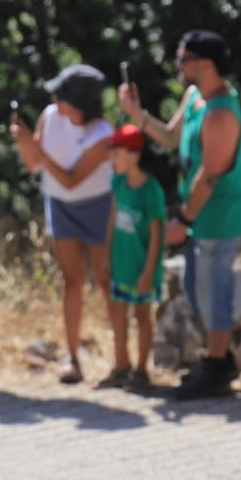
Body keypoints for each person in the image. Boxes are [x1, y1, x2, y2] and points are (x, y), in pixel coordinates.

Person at [121, 30, 241, 400]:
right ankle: (217, 360)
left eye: (184, 58)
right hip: (201, 216)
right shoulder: (195, 97)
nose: (178, 65)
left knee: (214, 290)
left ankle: (216, 367)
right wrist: (138, 114)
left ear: (206, 65)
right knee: (200, 291)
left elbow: (209, 174)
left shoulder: (220, 115)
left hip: (218, 217)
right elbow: (169, 136)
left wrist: (184, 220)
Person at [13, 63, 113, 385]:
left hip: (98, 205)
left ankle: (120, 358)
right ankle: (72, 358)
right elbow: (34, 165)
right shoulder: (50, 117)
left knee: (106, 278)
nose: (55, 98)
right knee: (71, 281)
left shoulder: (103, 135)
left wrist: (35, 146)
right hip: (59, 204)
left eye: (63, 94)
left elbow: (71, 179)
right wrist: (24, 143)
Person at [98, 126, 165, 391]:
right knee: (117, 314)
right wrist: (105, 257)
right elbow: (112, 219)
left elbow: (157, 235)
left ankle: (141, 370)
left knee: (142, 315)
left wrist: (148, 272)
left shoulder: (152, 192)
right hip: (121, 265)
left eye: (116, 154)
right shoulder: (118, 183)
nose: (111, 160)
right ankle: (121, 366)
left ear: (135, 155)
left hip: (141, 268)